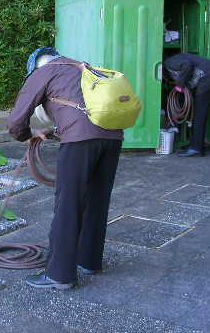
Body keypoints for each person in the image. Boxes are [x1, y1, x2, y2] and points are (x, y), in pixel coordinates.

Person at [8, 47, 123, 289]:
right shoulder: (84, 67)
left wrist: (26, 135)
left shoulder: (43, 73)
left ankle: (58, 275)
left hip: (80, 141)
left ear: (36, 66)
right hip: (112, 137)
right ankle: (89, 261)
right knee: (97, 200)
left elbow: (17, 120)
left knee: (68, 204)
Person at [164, 53, 210, 157]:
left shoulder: (169, 63)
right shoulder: (175, 60)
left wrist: (180, 85)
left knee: (199, 114)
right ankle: (194, 144)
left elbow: (187, 65)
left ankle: (196, 148)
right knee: (197, 111)